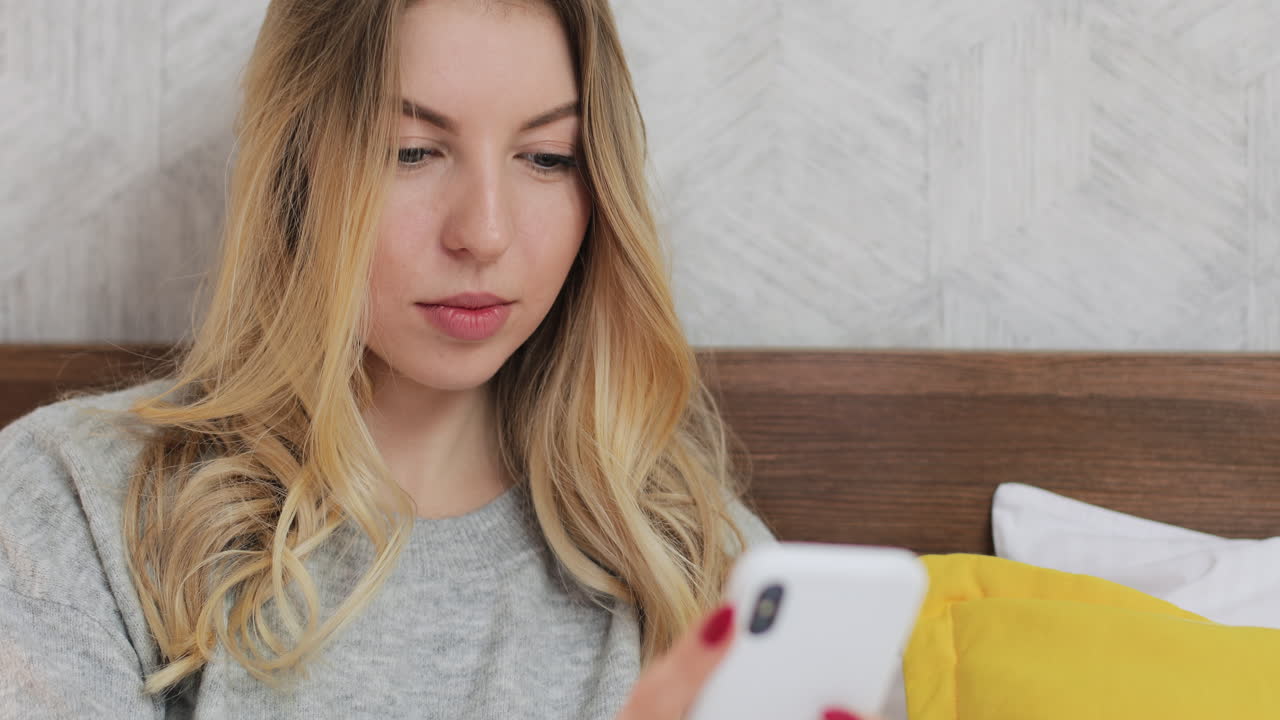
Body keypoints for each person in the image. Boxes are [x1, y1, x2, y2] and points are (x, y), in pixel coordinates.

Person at [0, 1, 870, 718]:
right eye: (412, 151)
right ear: (297, 170)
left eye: (546, 158)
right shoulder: (73, 508)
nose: (484, 233)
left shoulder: (697, 563)